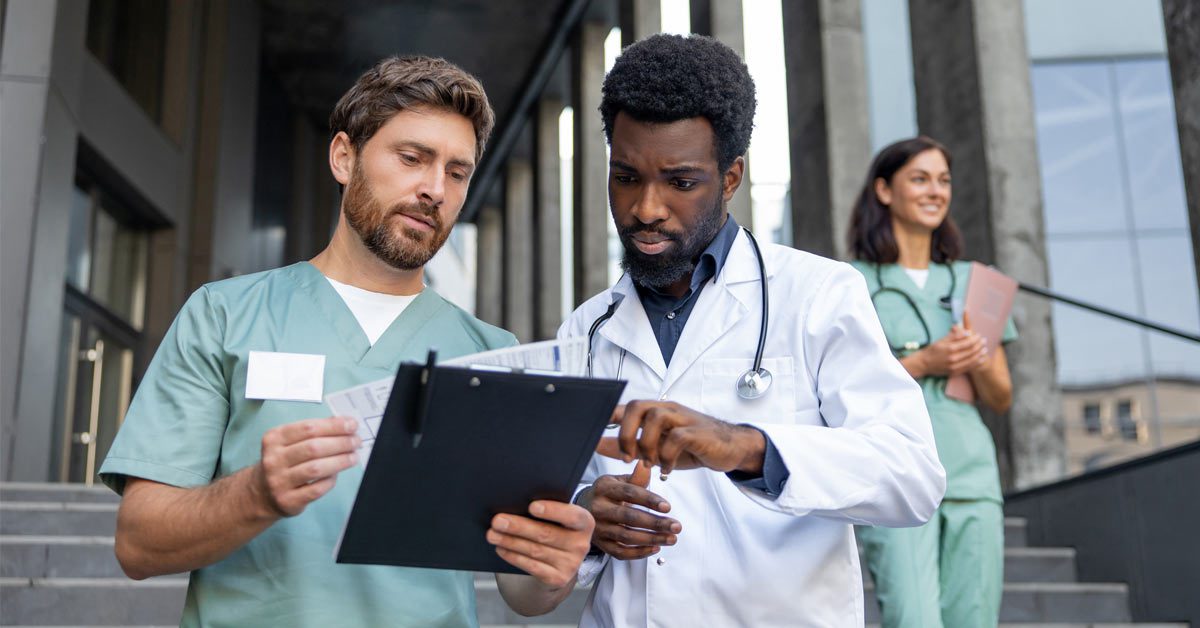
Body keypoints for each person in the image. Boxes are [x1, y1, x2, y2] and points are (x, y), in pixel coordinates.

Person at [98, 56, 593, 627]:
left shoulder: (492, 353)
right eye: (412, 158)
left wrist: (553, 563)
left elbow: (521, 591)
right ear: (343, 157)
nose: (434, 189)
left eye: (457, 173)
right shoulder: (225, 315)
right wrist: (255, 495)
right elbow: (138, 544)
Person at [561, 34, 947, 627]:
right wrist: (588, 517)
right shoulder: (587, 329)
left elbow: (912, 475)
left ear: (732, 176)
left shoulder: (817, 293)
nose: (646, 208)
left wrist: (746, 447)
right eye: (626, 177)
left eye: (681, 182)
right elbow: (554, 503)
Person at [847, 136, 1016, 628]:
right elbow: (842, 392)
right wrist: (925, 362)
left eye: (943, 181)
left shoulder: (974, 280)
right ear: (884, 190)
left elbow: (1001, 397)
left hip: (972, 475)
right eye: (919, 179)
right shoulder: (850, 283)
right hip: (896, 475)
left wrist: (974, 355)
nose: (935, 191)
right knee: (913, 619)